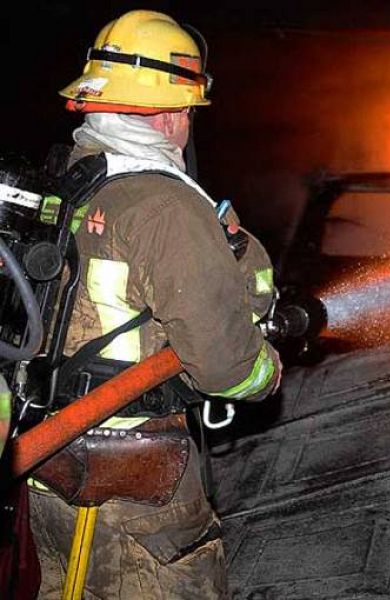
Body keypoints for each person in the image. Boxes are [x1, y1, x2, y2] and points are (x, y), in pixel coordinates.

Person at [28, 10, 281, 598]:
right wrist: (266, 373)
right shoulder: (166, 209)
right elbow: (224, 365)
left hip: (47, 471)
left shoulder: (65, 179)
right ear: (171, 110)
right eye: (189, 110)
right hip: (135, 495)